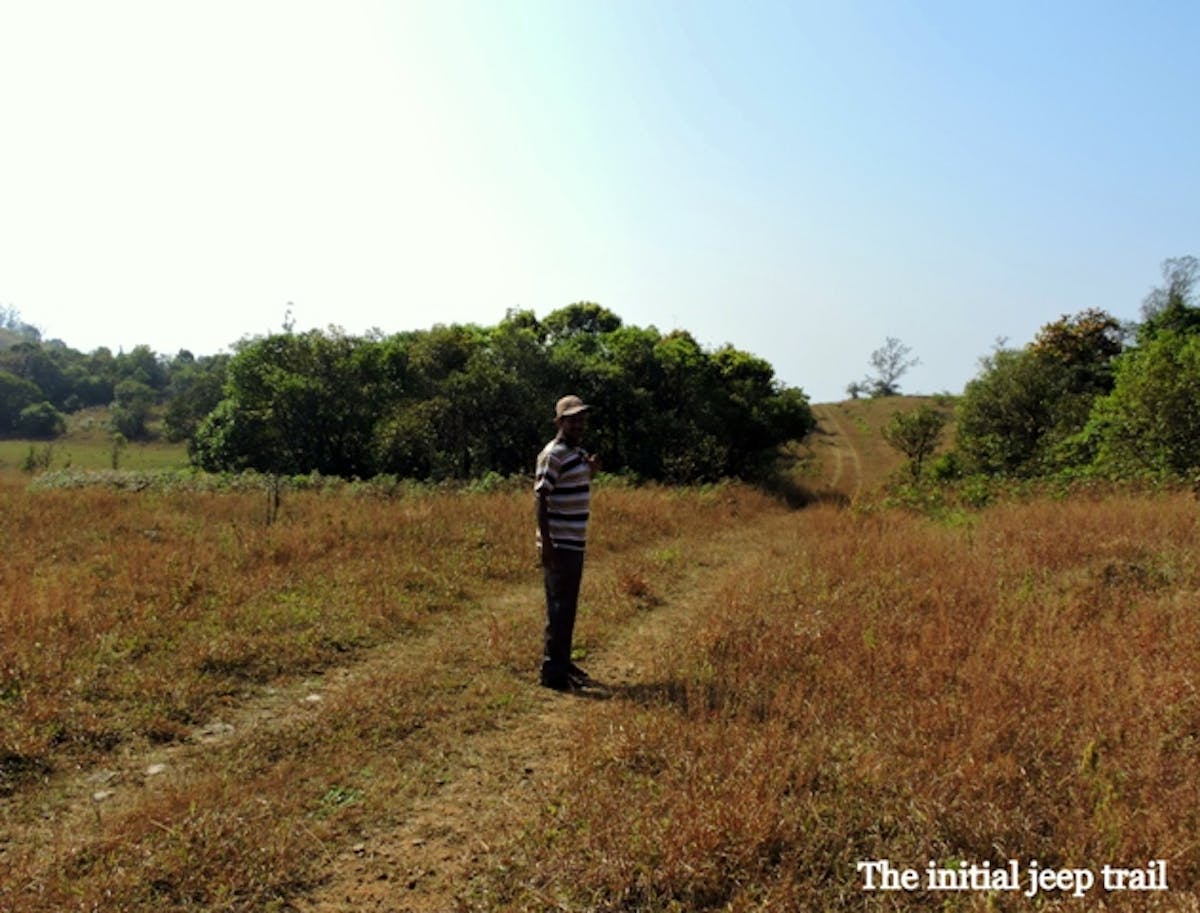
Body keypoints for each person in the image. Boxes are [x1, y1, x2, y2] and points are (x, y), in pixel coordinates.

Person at [534, 395, 599, 691]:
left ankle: (563, 663)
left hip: (574, 541)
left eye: (582, 418)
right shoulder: (554, 454)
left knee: (567, 608)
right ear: (560, 422)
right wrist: (546, 543)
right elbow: (541, 497)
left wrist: (591, 470)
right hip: (560, 542)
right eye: (572, 419)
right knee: (559, 608)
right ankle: (553, 674)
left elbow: (576, 482)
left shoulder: (577, 452)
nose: (578, 423)